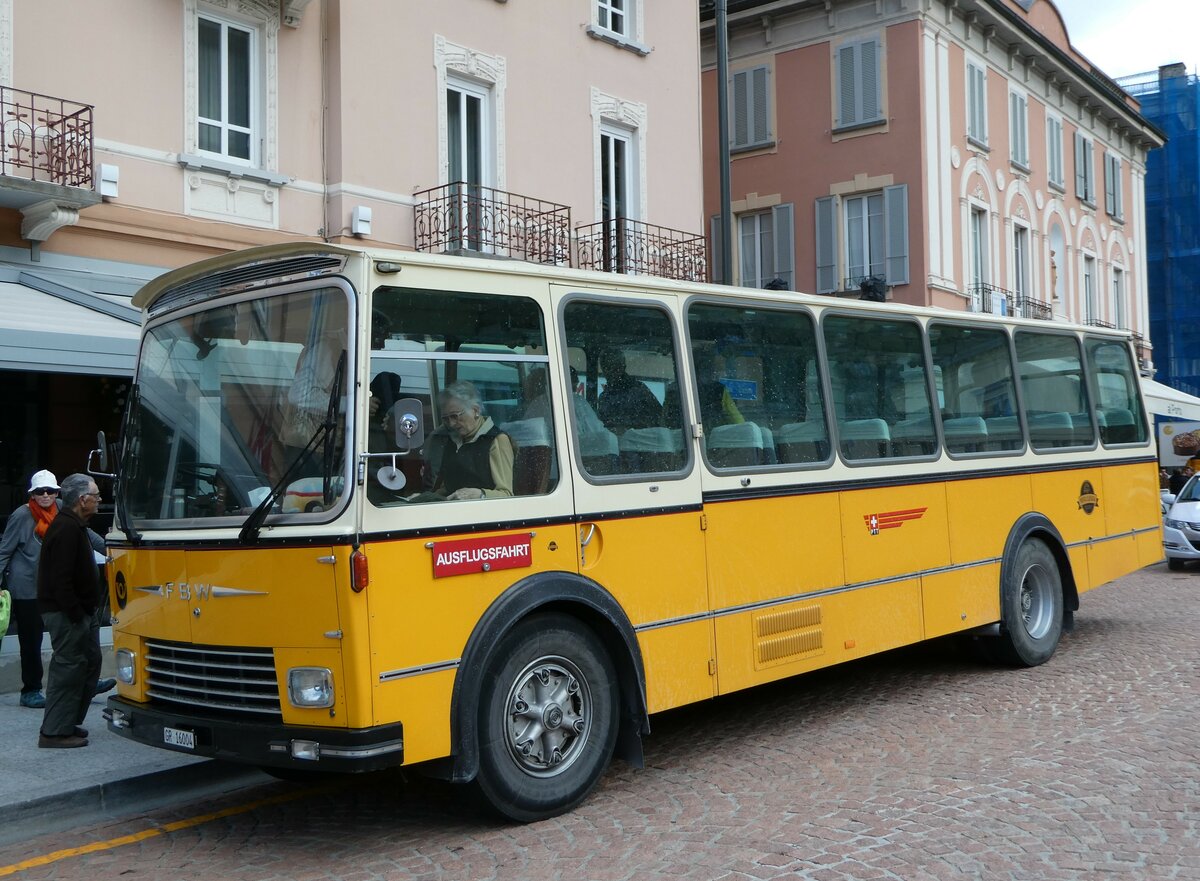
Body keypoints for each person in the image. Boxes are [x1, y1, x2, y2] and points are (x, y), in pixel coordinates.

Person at [0, 470, 112, 712]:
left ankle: (86, 682)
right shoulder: (21, 515)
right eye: (40, 491)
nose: (46, 495)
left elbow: (87, 535)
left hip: (54, 586)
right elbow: (5, 550)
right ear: (32, 493)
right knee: (31, 641)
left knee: (75, 634)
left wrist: (114, 551)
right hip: (27, 587)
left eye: (51, 490)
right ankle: (30, 691)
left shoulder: (63, 508)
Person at [36, 473, 108, 748]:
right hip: (67, 614)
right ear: (82, 499)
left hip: (79, 612)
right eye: (96, 495)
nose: (100, 500)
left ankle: (67, 723)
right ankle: (54, 732)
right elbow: (60, 581)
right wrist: (77, 614)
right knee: (68, 668)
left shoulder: (74, 525)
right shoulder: (66, 528)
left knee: (88, 663)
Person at [420, 381, 514, 501]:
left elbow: (506, 495)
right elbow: (448, 488)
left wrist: (480, 494)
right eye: (446, 419)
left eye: (455, 416)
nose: (451, 424)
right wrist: (424, 498)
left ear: (475, 410)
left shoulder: (496, 440)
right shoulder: (452, 440)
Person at [596, 350, 663, 433]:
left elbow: (658, 419)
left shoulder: (639, 390)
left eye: (615, 367)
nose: (611, 372)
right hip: (613, 443)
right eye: (607, 368)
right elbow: (601, 425)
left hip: (639, 441)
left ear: (623, 366)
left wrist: (628, 427)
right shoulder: (604, 397)